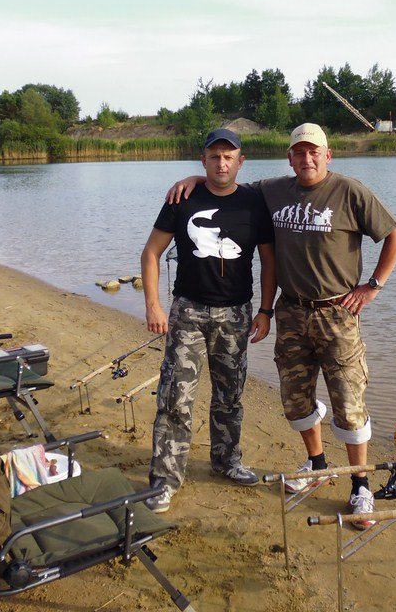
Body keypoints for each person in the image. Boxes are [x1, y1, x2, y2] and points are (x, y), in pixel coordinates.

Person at [169, 122, 396, 528]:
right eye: (299, 152)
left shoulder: (349, 191)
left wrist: (372, 286)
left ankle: (360, 485)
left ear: (328, 155)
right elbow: (227, 182)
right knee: (296, 400)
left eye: (314, 152)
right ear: (290, 158)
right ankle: (317, 465)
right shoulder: (274, 189)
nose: (306, 158)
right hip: (292, 312)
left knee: (349, 404)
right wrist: (195, 178)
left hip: (337, 313)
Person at [141, 128, 276, 513]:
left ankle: (227, 460)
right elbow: (151, 253)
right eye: (214, 156)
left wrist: (266, 310)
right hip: (188, 312)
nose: (221, 163)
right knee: (175, 397)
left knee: (230, 395)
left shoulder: (254, 202)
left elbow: (269, 261)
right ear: (203, 160)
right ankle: (165, 479)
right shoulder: (182, 198)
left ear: (240, 162)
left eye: (228, 157)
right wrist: (153, 306)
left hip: (237, 314)